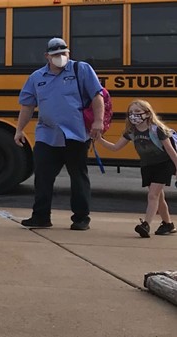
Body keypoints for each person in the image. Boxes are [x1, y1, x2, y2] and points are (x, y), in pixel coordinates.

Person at [13, 37, 105, 231]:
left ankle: (81, 218)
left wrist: (98, 121)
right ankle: (41, 216)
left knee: (78, 176)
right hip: (47, 134)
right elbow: (27, 105)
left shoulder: (81, 70)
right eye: (56, 54)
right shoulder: (37, 77)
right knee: (43, 176)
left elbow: (97, 96)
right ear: (47, 56)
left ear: (68, 53)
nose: (60, 57)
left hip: (76, 134)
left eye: (64, 53)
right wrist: (19, 129)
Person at [94, 100, 177, 237]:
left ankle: (146, 225)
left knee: (152, 195)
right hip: (147, 165)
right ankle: (167, 224)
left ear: (147, 113)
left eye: (138, 112)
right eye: (131, 112)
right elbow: (115, 148)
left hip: (164, 164)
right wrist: (100, 140)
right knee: (158, 197)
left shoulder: (157, 130)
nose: (134, 115)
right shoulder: (131, 132)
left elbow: (171, 151)